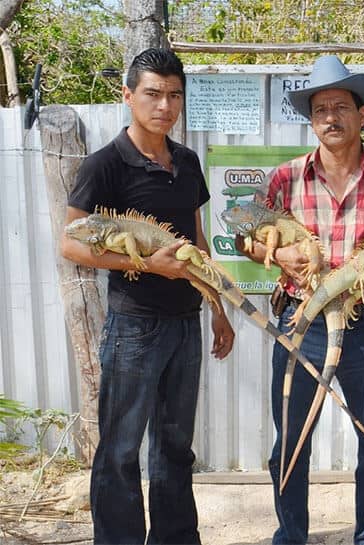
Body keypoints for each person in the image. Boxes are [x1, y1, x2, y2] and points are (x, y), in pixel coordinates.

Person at [239, 55, 364, 545]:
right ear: (311, 120)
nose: (330, 117)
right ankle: (291, 536)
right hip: (299, 325)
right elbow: (246, 235)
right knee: (290, 439)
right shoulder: (286, 178)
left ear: (362, 115)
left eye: (340, 107)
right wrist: (278, 252)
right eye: (320, 109)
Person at [60, 48, 235, 544]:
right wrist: (143, 263)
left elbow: (198, 246)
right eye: (153, 93)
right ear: (129, 96)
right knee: (119, 449)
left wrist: (218, 310)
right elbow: (70, 242)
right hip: (134, 328)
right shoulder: (105, 165)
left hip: (186, 322)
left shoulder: (187, 161)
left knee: (176, 447)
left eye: (174, 94)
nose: (164, 105)